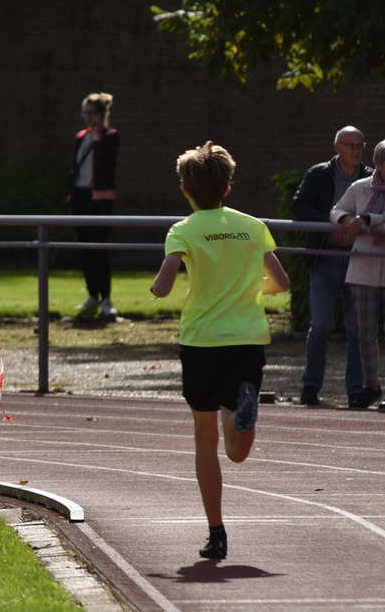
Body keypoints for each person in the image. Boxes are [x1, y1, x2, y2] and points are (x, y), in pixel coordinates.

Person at [151, 142, 289, 561]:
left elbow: (164, 284)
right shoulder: (252, 226)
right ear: (227, 187)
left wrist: (159, 286)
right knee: (238, 451)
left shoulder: (183, 230)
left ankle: (217, 533)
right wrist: (251, 290)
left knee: (205, 437)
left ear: (185, 191)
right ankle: (243, 413)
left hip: (201, 340)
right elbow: (280, 282)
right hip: (247, 338)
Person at [291, 126, 371, 407]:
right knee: (321, 323)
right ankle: (310, 387)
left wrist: (356, 227)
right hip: (324, 258)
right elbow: (300, 207)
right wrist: (333, 224)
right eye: (350, 144)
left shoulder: (372, 177)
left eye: (360, 144)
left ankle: (356, 390)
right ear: (336, 147)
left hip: (359, 260)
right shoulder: (318, 174)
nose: (356, 150)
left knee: (357, 328)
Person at [329, 140, 385, 411]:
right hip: (363, 270)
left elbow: (374, 219)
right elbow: (337, 209)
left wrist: (367, 218)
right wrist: (345, 220)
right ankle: (371, 386)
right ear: (378, 164)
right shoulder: (360, 187)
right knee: (364, 333)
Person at [68, 92, 120, 318]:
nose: (87, 117)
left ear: (101, 114)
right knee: (85, 248)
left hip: (99, 197)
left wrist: (99, 133)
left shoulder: (111, 137)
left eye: (92, 113)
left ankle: (106, 298)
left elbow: (104, 159)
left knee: (99, 248)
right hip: (80, 195)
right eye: (85, 113)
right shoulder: (81, 137)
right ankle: (92, 295)